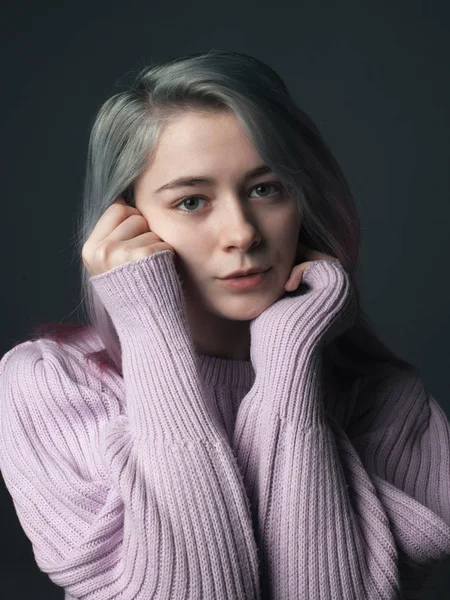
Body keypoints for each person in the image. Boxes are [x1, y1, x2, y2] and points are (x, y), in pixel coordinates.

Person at [0, 49, 449, 599]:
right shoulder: (52, 387)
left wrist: (288, 359)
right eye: (191, 201)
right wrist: (148, 330)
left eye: (266, 188)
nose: (241, 233)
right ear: (125, 223)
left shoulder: (386, 399)